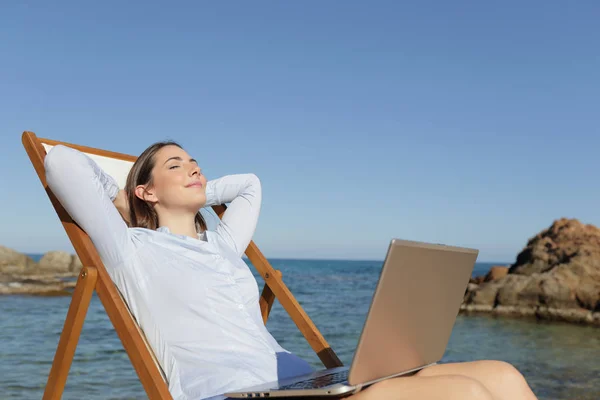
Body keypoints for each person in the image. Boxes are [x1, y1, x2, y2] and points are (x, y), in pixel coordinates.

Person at [44, 141, 538, 400]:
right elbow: (61, 163)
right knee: (465, 394)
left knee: (500, 373)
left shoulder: (222, 245)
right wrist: (128, 204)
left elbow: (250, 185)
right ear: (145, 191)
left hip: (296, 383)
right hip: (230, 393)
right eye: (176, 165)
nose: (195, 168)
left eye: (196, 161)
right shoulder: (131, 248)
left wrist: (195, 191)